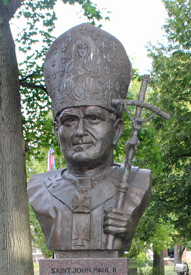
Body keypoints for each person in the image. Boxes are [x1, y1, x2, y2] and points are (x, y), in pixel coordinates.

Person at [28, 24, 151, 257]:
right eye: (70, 120)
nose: (80, 131)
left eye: (93, 118)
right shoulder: (38, 187)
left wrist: (128, 227)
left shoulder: (137, 181)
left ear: (116, 130)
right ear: (57, 130)